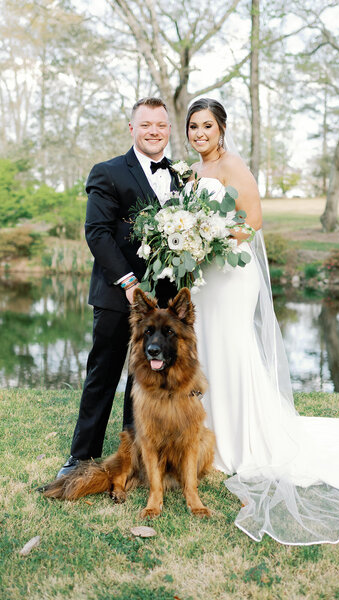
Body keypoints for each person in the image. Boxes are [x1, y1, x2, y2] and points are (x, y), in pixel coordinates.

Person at [184, 97, 339, 545]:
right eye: (193, 127)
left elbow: (254, 220)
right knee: (208, 349)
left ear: (222, 129)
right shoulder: (194, 174)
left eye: (207, 126)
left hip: (231, 272)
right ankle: (213, 438)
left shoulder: (232, 166)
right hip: (207, 275)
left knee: (231, 347)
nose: (199, 133)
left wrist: (210, 236)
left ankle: (244, 443)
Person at [56, 97, 178, 479]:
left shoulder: (181, 176)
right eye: (145, 125)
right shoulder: (108, 172)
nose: (153, 131)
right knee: (103, 375)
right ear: (132, 129)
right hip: (116, 294)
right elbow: (97, 232)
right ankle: (80, 457)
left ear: (168, 130)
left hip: (161, 301)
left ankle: (135, 455)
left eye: (160, 125)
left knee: (146, 377)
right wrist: (128, 281)